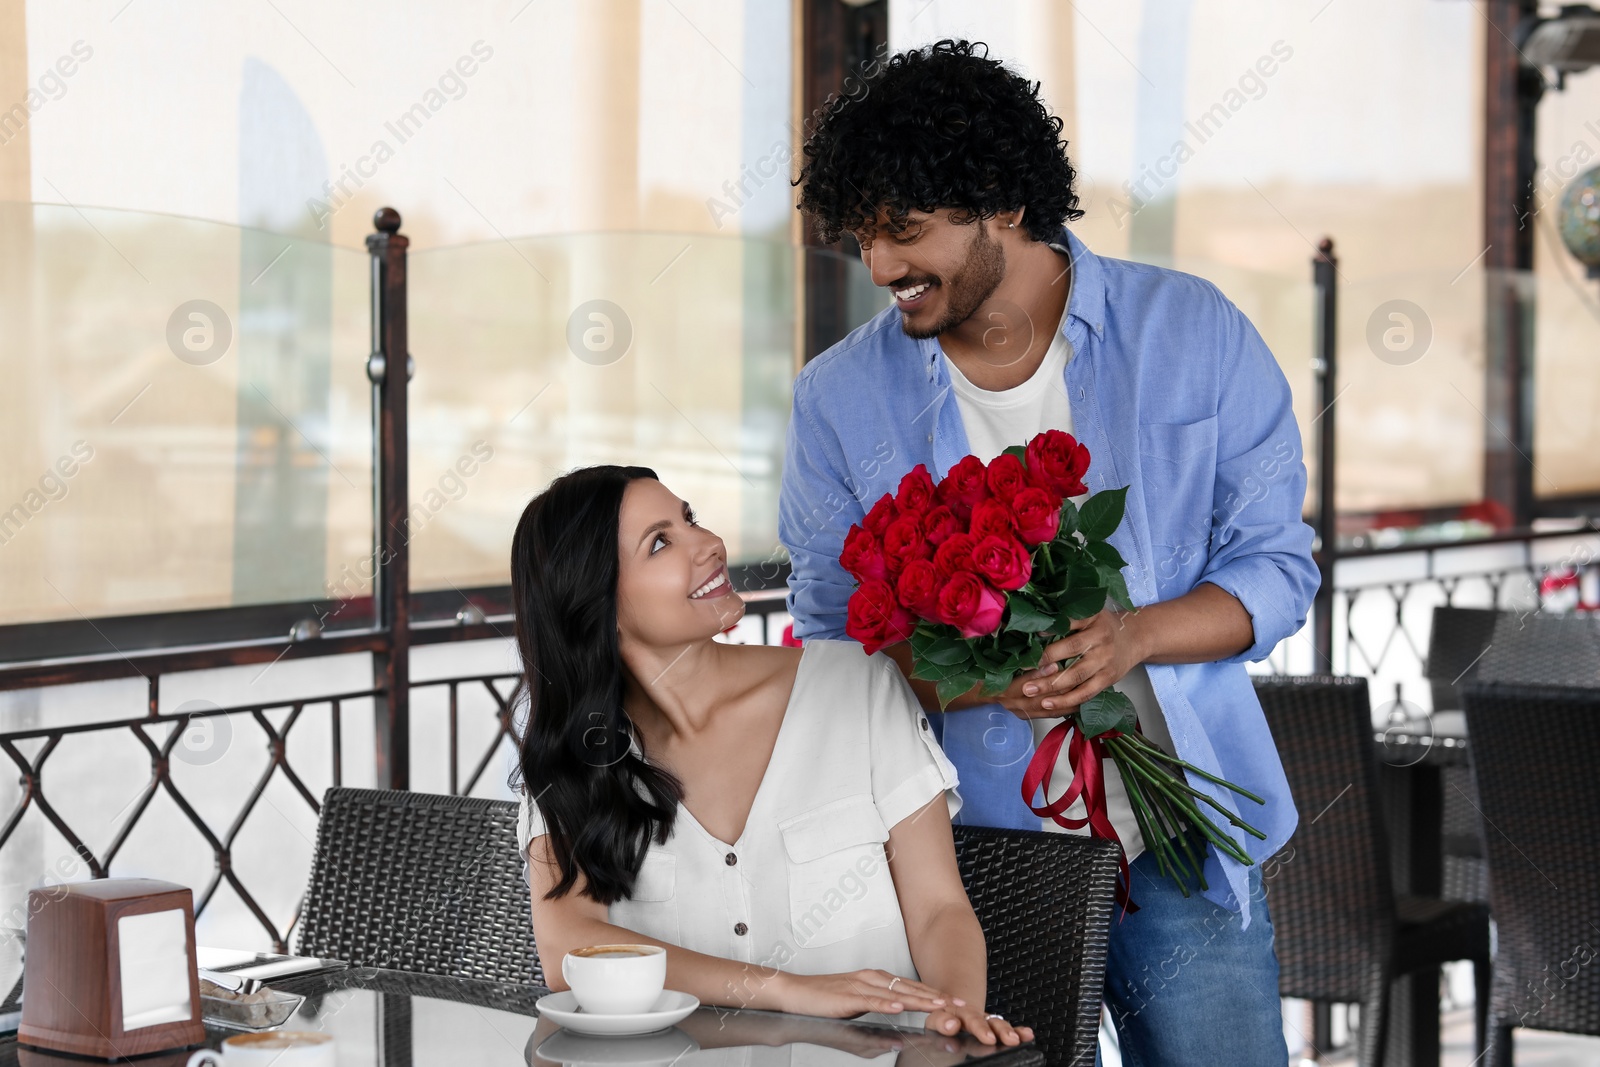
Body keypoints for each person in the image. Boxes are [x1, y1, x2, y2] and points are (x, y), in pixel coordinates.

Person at [781, 40, 1318, 1064]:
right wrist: (973, 680)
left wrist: (1131, 637)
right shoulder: (837, 397)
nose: (882, 267)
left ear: (1005, 204)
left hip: (1179, 838)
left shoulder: (1192, 333)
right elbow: (829, 636)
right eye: (862, 237)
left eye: (903, 230)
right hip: (966, 857)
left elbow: (1276, 572)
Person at [510, 464, 1031, 1046]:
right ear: (596, 603)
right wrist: (790, 989)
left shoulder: (855, 686)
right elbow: (569, 950)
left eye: (690, 519)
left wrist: (953, 1018)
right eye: (661, 543)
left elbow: (939, 909)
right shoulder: (572, 753)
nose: (709, 545)